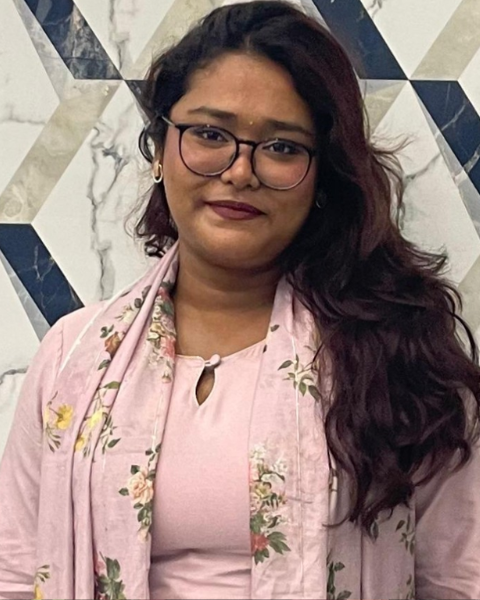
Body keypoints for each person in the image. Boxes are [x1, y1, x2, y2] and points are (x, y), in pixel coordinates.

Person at [1, 1, 480, 598]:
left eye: (281, 147)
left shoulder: (395, 355)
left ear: (321, 177)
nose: (239, 171)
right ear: (160, 150)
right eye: (209, 134)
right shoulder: (73, 358)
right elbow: (16, 570)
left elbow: (457, 579)